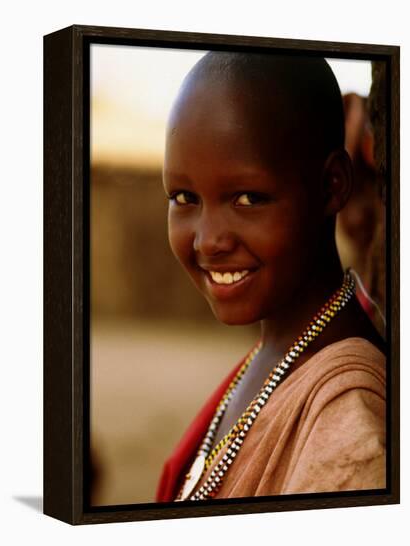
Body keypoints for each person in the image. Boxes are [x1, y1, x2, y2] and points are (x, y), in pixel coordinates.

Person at [156, 52, 386, 502]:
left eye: (247, 198)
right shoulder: (278, 349)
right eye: (184, 196)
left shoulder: (347, 426)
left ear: (332, 185)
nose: (208, 241)